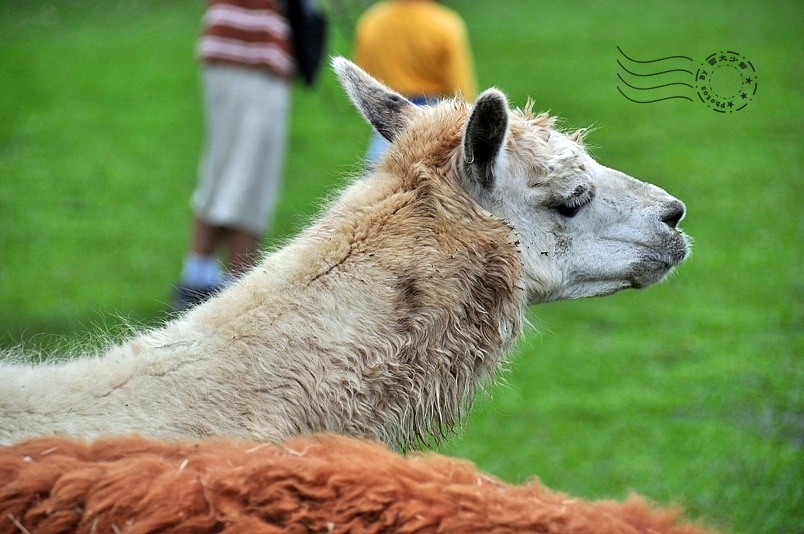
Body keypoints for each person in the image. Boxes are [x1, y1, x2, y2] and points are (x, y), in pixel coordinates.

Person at [174, 0, 295, 310]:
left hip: (235, 48)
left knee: (227, 167)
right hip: (251, 53)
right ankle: (238, 297)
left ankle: (198, 277)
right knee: (250, 176)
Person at [353, 0, 477, 164]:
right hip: (433, 111)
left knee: (378, 170)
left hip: (387, 108)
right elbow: (460, 88)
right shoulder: (445, 24)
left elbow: (364, 70)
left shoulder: (372, 21)